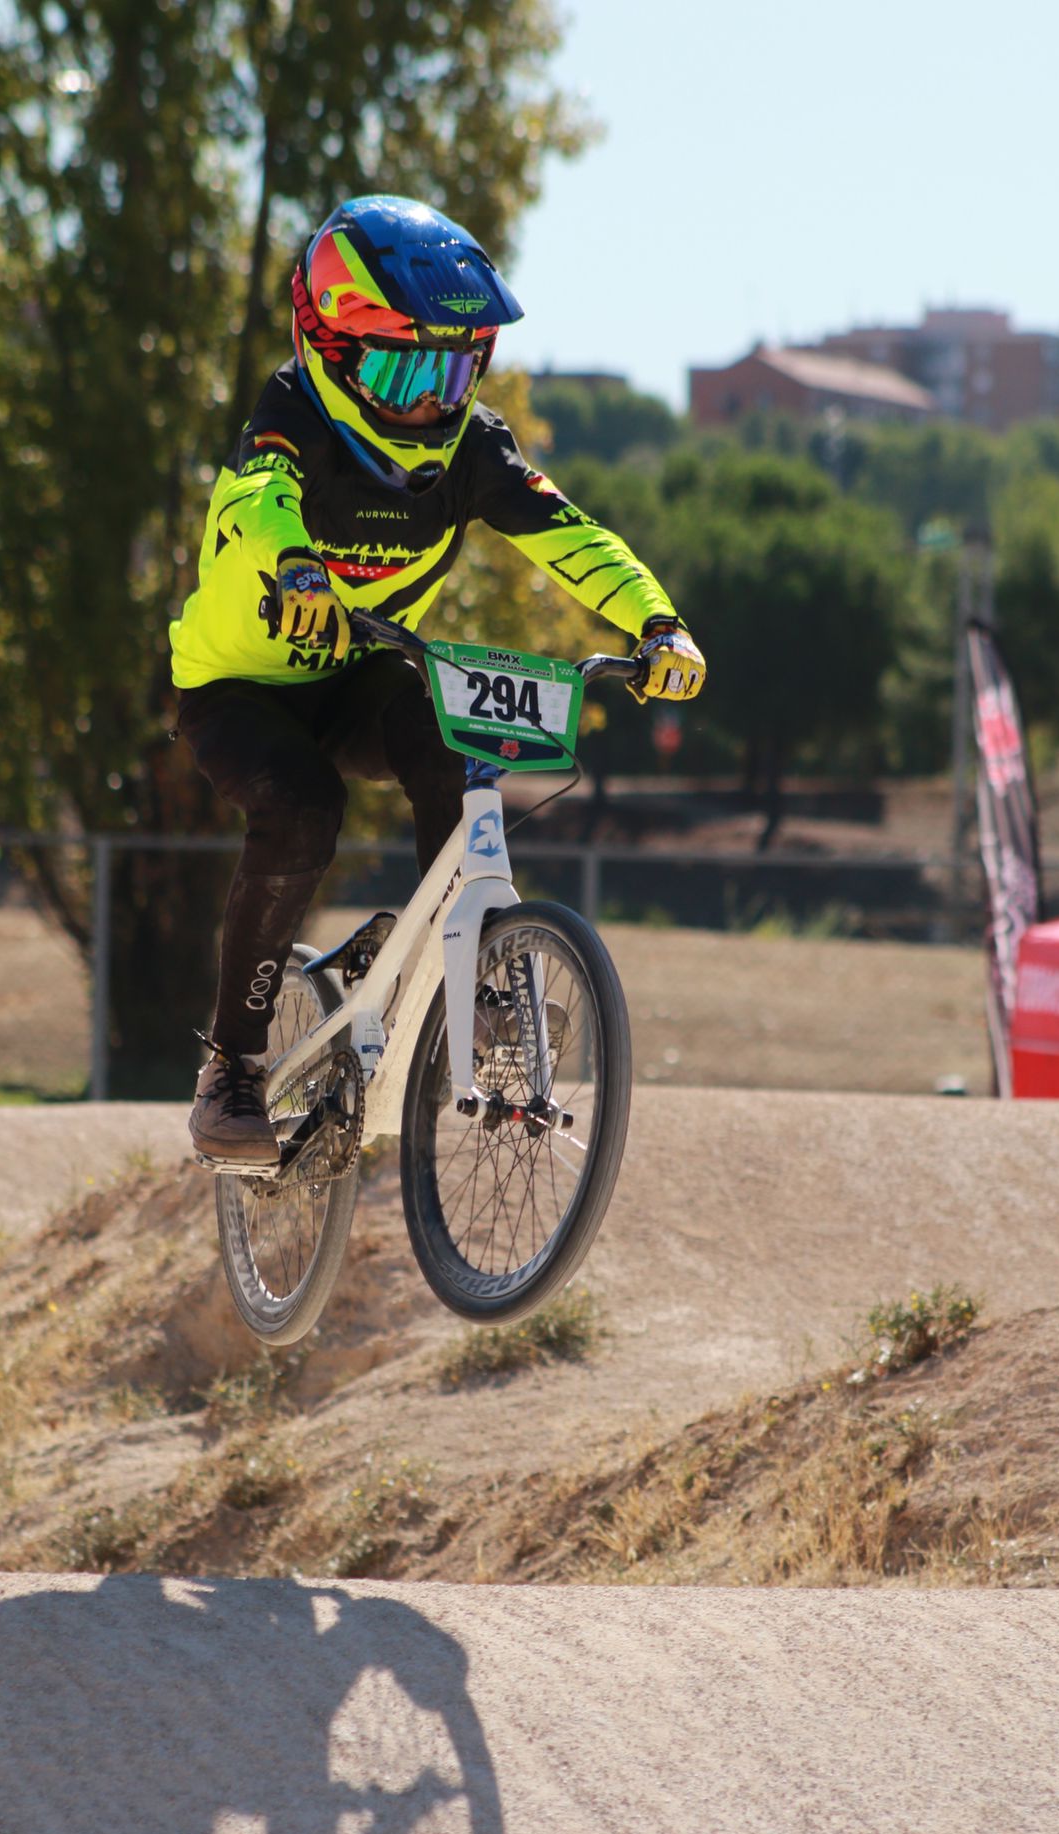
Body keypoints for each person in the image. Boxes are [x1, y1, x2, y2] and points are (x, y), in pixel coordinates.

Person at [170, 193, 706, 1165]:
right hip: (239, 691)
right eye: (402, 365)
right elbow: (259, 497)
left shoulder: (470, 445)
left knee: (455, 745)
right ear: (329, 350)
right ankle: (233, 1068)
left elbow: (568, 535)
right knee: (300, 809)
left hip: (358, 673)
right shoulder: (291, 409)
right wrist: (296, 567)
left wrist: (656, 621)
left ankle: (470, 984)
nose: (429, 397)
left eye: (453, 367)